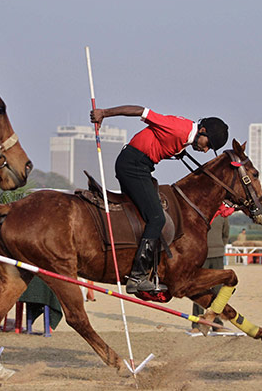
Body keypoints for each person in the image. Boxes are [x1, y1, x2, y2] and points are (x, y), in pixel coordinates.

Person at [90, 105, 229, 294]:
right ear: (202, 131)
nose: (205, 150)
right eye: (208, 144)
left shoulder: (185, 137)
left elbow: (162, 142)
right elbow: (141, 111)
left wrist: (176, 150)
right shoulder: (179, 128)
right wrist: (104, 113)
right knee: (157, 218)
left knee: (146, 214)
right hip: (133, 166)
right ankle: (138, 276)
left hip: (141, 167)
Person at [190, 205, 231, 333]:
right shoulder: (198, 212)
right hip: (201, 256)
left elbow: (225, 234)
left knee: (217, 291)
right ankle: (197, 325)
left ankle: (216, 324)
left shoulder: (222, 216)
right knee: (199, 289)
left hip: (217, 256)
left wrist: (219, 247)